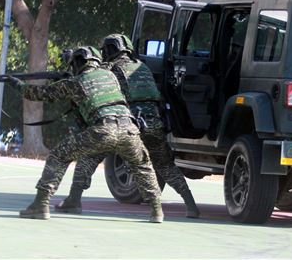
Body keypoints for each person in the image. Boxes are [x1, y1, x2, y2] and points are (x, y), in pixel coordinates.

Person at [7, 46, 164, 222]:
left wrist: (16, 84)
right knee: (142, 165)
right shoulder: (111, 76)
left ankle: (40, 204)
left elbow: (39, 94)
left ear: (77, 63)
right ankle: (157, 210)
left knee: (59, 155)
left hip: (103, 129)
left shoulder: (75, 82)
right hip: (129, 129)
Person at [56, 35, 200, 218]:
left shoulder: (110, 69)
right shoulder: (143, 67)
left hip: (129, 125)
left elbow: (91, 79)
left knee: (89, 156)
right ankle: (191, 205)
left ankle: (74, 200)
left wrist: (72, 62)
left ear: (109, 50)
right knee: (166, 166)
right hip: (154, 123)